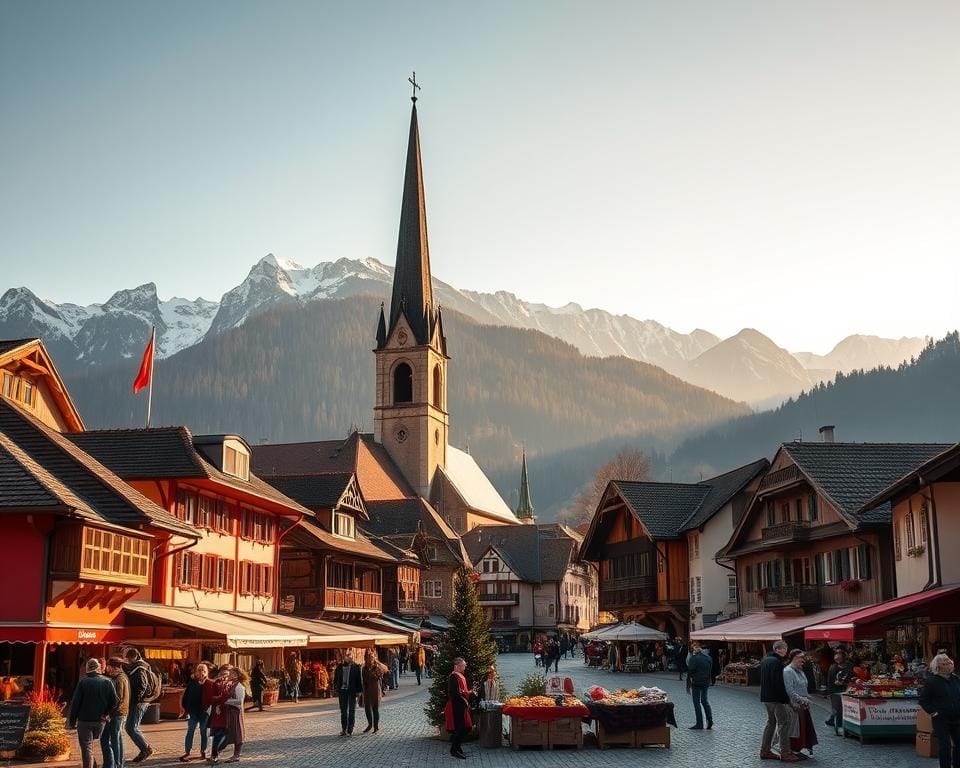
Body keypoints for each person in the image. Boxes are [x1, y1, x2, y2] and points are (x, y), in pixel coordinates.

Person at [68, 658, 118, 768]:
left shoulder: (83, 682)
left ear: (87, 669)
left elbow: (75, 703)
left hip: (84, 720)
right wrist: (107, 714)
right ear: (98, 668)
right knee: (100, 743)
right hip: (100, 721)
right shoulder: (107, 682)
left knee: (87, 747)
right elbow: (115, 702)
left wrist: (72, 721)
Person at [919, 653, 960, 768]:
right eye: (945, 663)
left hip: (957, 717)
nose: (949, 665)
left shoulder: (956, 679)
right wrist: (933, 711)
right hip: (941, 719)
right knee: (945, 746)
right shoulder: (932, 681)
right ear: (938, 666)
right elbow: (923, 700)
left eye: (950, 662)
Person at [760, 640, 798, 762]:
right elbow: (779, 684)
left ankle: (765, 750)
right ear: (778, 650)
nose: (786, 652)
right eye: (784, 649)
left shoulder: (765, 660)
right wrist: (786, 700)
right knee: (784, 723)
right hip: (776, 698)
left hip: (766, 697)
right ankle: (785, 752)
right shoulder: (777, 662)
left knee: (771, 722)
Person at [122, 647, 155, 763]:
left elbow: (142, 686)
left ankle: (146, 749)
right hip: (141, 701)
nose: (127, 660)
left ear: (134, 657)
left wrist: (134, 701)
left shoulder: (139, 668)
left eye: (128, 658)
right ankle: (145, 748)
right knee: (132, 727)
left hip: (139, 702)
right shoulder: (139, 666)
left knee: (131, 727)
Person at [783, 649, 818, 759]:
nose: (803, 660)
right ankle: (793, 750)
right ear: (794, 658)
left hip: (803, 704)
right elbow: (789, 690)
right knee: (795, 727)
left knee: (803, 727)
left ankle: (801, 748)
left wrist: (807, 697)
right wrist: (801, 699)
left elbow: (803, 686)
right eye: (801, 657)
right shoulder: (788, 671)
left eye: (803, 657)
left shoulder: (800, 670)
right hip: (795, 704)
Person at [180, 662, 211, 762]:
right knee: (190, 730)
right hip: (193, 712)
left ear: (206, 673)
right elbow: (186, 696)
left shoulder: (210, 683)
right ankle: (187, 751)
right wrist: (185, 708)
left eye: (203, 671)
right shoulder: (192, 683)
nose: (201, 672)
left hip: (204, 712)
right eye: (199, 670)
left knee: (204, 732)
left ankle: (203, 751)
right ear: (196, 672)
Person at [102, 657, 130, 768]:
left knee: (115, 740)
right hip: (121, 712)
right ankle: (118, 763)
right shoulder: (122, 677)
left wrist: (109, 714)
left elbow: (117, 699)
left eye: (108, 666)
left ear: (113, 667)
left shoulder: (119, 679)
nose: (107, 669)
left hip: (117, 714)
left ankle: (118, 764)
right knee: (117, 738)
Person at [445, 657, 472, 760]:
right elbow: (455, 693)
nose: (464, 667)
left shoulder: (459, 676)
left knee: (465, 726)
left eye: (464, 665)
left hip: (461, 704)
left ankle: (457, 747)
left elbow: (461, 691)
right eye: (463, 665)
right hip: (457, 706)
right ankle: (454, 750)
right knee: (461, 727)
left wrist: (469, 693)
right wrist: (464, 700)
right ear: (456, 666)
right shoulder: (453, 677)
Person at [333, 650, 362, 735]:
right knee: (343, 710)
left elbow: (359, 680)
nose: (349, 657)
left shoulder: (356, 667)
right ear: (344, 657)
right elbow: (336, 678)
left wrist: (359, 691)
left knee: (352, 710)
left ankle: (350, 728)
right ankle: (344, 728)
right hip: (342, 691)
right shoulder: (339, 667)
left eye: (350, 655)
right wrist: (336, 687)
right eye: (347, 655)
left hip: (352, 691)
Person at [687, 643, 714, 730]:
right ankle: (709, 720)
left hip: (697, 682)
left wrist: (690, 680)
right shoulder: (708, 658)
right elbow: (710, 669)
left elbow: (690, 670)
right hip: (706, 682)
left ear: (694, 650)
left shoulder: (694, 658)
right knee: (704, 701)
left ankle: (699, 723)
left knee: (696, 702)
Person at [824, 649, 854, 729]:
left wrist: (850, 683)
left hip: (847, 689)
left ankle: (832, 719)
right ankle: (839, 727)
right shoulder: (833, 667)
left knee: (841, 708)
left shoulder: (850, 665)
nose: (837, 658)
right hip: (835, 690)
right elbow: (830, 681)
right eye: (836, 656)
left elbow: (852, 676)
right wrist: (829, 692)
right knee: (838, 708)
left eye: (839, 656)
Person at [222, 668, 247, 762]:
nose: (229, 675)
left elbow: (239, 702)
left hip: (236, 712)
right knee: (233, 732)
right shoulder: (232, 685)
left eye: (232, 673)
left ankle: (237, 755)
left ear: (236, 675)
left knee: (238, 732)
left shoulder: (239, 687)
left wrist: (226, 701)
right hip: (231, 712)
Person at [361, 650, 388, 733]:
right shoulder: (364, 668)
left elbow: (383, 673)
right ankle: (370, 724)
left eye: (371, 658)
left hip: (375, 689)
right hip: (366, 690)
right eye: (368, 658)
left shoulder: (377, 667)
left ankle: (376, 726)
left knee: (375, 708)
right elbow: (363, 679)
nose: (370, 659)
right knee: (367, 708)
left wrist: (376, 665)